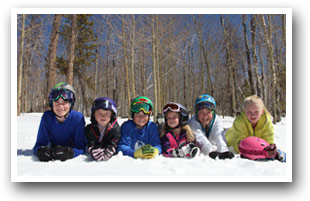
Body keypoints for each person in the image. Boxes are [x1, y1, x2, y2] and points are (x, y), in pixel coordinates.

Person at [33, 82, 86, 162]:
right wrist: (40, 151)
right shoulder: (47, 117)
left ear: (71, 104)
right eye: (56, 102)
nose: (60, 107)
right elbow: (39, 145)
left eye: (64, 103)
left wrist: (70, 153)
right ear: (51, 104)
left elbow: (81, 147)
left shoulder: (77, 118)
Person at [188, 94, 234, 160]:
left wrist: (224, 151)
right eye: (201, 112)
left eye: (208, 112)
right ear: (197, 113)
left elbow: (219, 135)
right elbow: (200, 138)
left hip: (213, 141)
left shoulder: (217, 120)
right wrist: (211, 152)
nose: (205, 116)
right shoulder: (193, 122)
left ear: (213, 112)